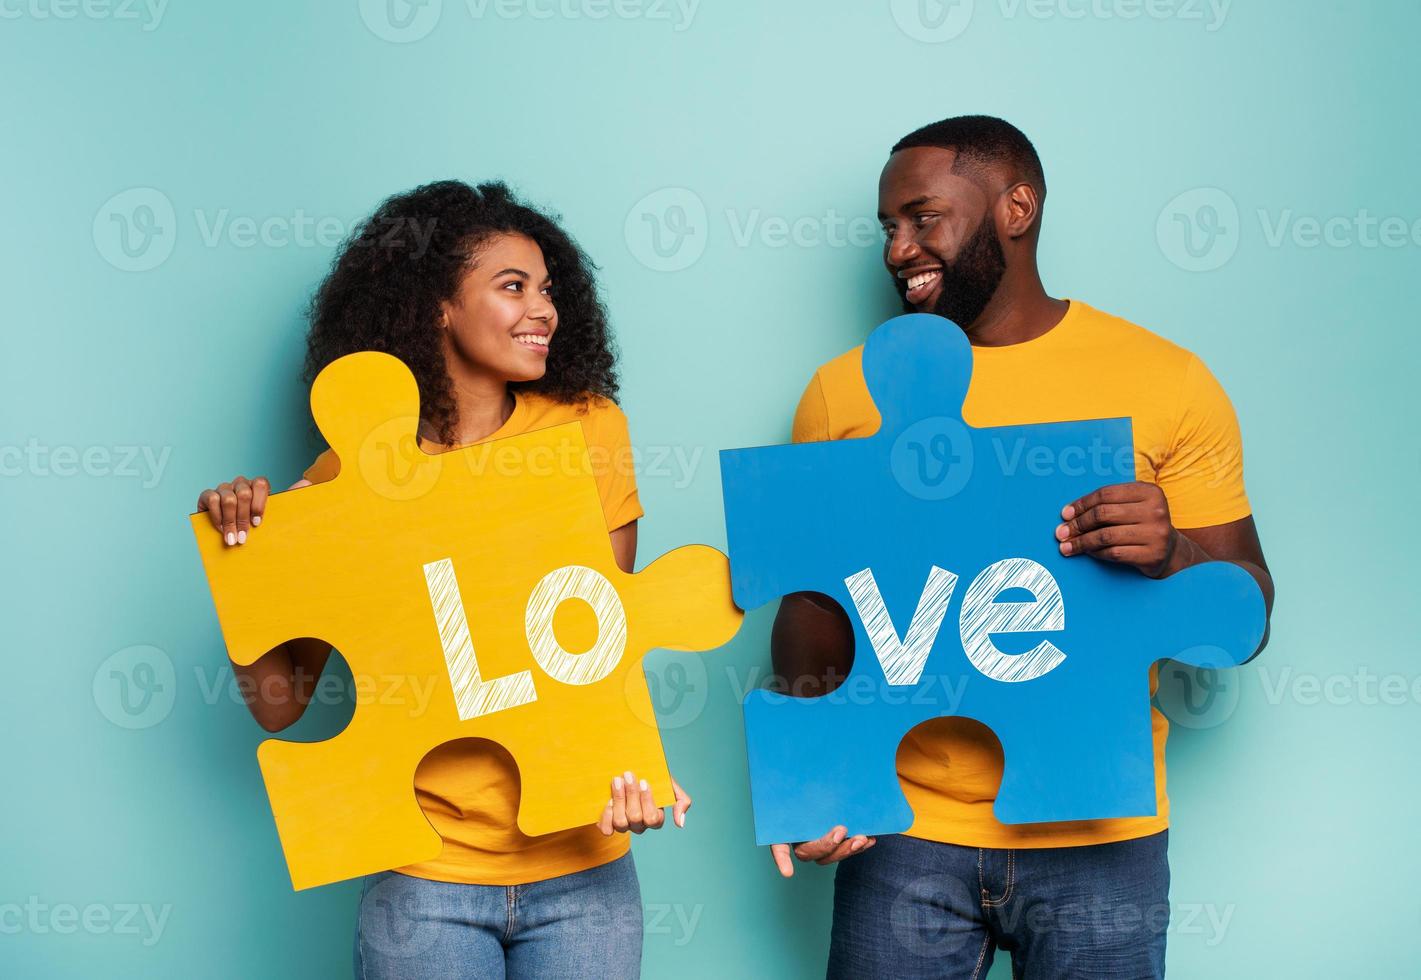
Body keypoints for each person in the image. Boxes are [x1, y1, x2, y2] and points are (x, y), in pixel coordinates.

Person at [769, 116, 1275, 979]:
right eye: (887, 227)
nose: (898, 249)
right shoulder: (840, 392)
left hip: (1101, 833)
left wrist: (1171, 554)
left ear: (1017, 206)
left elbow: (1245, 620)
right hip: (903, 832)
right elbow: (812, 610)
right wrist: (809, 775)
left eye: (923, 218)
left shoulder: (1165, 381)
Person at [195, 180, 687, 979]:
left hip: (584, 867)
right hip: (422, 878)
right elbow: (278, 707)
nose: (544, 310)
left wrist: (631, 777)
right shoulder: (343, 478)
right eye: (511, 286)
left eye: (548, 289)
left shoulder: (586, 428)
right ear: (436, 309)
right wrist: (241, 560)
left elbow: (598, 648)